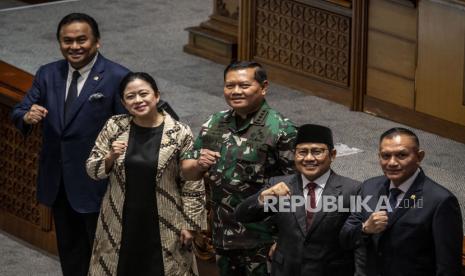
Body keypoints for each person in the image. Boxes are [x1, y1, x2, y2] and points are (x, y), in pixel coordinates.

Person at [10, 13, 130, 276]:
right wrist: (27, 117)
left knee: (105, 256)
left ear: (97, 42)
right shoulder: (48, 73)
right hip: (59, 182)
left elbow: (129, 129)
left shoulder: (117, 77)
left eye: (81, 40)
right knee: (71, 252)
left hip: (99, 184)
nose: (74, 46)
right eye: (67, 41)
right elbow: (20, 109)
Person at [181, 61, 297, 275]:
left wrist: (284, 239)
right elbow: (187, 170)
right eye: (229, 86)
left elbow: (297, 189)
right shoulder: (214, 123)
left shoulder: (282, 129)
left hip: (261, 241)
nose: (235, 91)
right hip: (223, 236)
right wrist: (198, 164)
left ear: (263, 87)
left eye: (243, 86)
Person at [86, 72, 206, 276]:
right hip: (120, 219)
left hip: (166, 221)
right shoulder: (115, 126)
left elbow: (192, 182)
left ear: (157, 96)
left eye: (143, 94)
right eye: (130, 97)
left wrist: (190, 224)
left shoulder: (179, 132)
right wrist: (110, 156)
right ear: (123, 103)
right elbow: (92, 170)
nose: (138, 100)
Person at [235, 124, 363, 276]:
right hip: (286, 270)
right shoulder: (277, 185)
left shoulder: (352, 189)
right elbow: (242, 215)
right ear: (294, 155)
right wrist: (263, 197)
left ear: (333, 155)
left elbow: (357, 239)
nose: (309, 158)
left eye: (317, 152)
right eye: (302, 152)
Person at [340, 127, 463, 276]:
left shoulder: (441, 201)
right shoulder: (369, 187)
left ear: (419, 156)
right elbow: (345, 237)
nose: (392, 162)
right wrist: (365, 228)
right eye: (385, 156)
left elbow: (448, 267)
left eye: (401, 155)